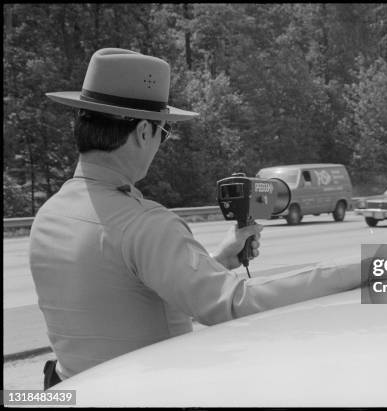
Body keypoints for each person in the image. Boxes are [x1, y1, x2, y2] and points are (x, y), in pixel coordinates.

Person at [30, 48, 361, 389]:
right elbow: (235, 305)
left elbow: (120, 296)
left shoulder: (49, 216)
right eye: (164, 133)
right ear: (145, 132)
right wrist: (369, 264)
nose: (160, 144)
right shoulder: (146, 224)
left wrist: (215, 261)